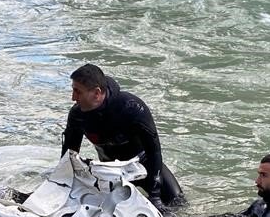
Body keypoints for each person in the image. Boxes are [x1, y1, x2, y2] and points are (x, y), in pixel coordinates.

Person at [61, 63, 183, 208]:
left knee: (178, 203)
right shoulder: (77, 115)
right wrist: (62, 185)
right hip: (109, 171)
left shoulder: (132, 108)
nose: (73, 98)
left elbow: (154, 150)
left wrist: (155, 194)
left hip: (144, 166)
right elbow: (69, 157)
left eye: (78, 91)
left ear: (97, 93)